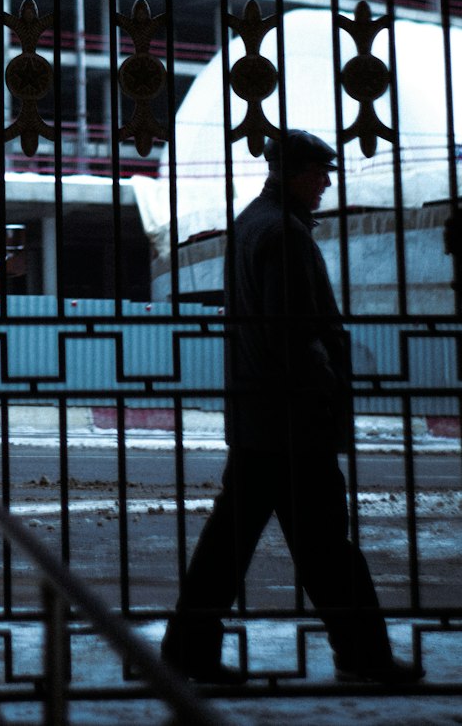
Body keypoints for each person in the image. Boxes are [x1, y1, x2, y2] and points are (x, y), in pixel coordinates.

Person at [161, 130, 422, 686]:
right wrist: (325, 386)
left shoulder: (253, 224)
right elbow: (293, 331)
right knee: (325, 544)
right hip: (292, 416)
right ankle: (363, 656)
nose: (327, 182)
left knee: (238, 544)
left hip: (262, 414)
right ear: (293, 173)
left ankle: (189, 648)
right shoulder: (284, 235)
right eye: (319, 172)